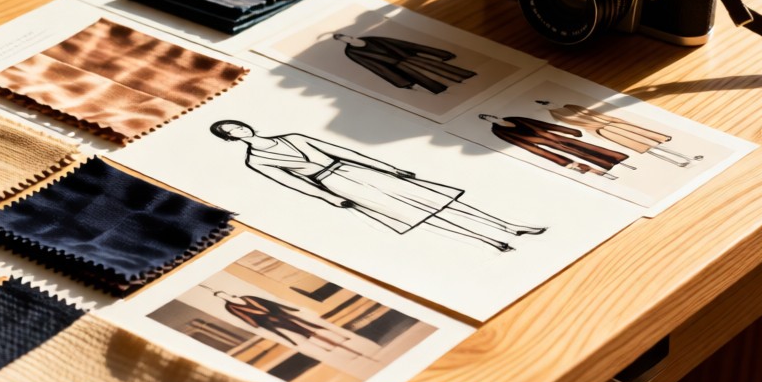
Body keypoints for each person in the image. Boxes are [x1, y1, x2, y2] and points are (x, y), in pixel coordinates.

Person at [209, 120, 544, 252]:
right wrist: (330, 200)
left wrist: (390, 167)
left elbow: (345, 150)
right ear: (228, 139)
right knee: (417, 215)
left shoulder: (292, 136)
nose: (238, 131)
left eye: (237, 126)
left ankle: (510, 226)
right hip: (334, 183)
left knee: (437, 199)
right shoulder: (257, 161)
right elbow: (294, 184)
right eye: (230, 132)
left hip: (352, 168)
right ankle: (491, 240)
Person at [534, 100, 703, 167]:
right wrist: (599, 131)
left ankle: (686, 157)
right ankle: (678, 161)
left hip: (612, 125)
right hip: (606, 130)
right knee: (646, 147)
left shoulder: (571, 107)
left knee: (652, 142)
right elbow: (584, 122)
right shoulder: (557, 114)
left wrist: (617, 121)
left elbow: (595, 114)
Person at [212, 291, 372, 357]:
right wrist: (257, 325)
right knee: (301, 332)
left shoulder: (246, 297)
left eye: (222, 294)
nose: (223, 297)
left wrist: (291, 308)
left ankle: (341, 336)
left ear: (226, 293)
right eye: (220, 297)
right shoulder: (230, 306)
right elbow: (244, 317)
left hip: (278, 313)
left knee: (307, 324)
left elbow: (267, 302)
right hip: (268, 321)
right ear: (221, 299)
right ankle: (329, 346)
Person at [478, 114, 635, 179]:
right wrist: (546, 154)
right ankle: (606, 166)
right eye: (486, 118)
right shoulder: (497, 130)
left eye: (489, 115)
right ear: (487, 121)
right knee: (577, 153)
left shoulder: (513, 118)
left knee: (585, 146)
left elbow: (541, 124)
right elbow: (519, 143)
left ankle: (619, 159)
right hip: (545, 143)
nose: (491, 118)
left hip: (554, 136)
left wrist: (569, 130)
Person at [332, 33, 476, 94]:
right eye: (343, 40)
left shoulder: (370, 38)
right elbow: (375, 67)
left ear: (349, 36)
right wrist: (400, 82)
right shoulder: (352, 52)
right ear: (342, 42)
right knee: (427, 79)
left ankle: (466, 82)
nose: (347, 39)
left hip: (411, 57)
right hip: (399, 66)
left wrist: (442, 54)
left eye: (346, 37)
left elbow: (402, 44)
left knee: (443, 69)